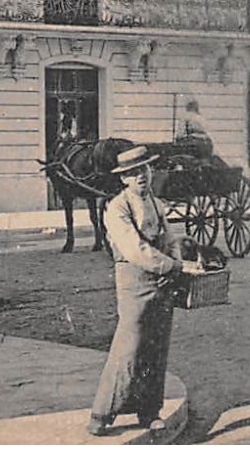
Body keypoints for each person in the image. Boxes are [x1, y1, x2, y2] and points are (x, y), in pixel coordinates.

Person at [89, 146, 188, 436]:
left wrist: (177, 260)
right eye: (133, 173)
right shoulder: (117, 207)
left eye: (144, 170)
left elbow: (170, 238)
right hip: (135, 282)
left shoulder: (156, 204)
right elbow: (134, 248)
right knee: (128, 347)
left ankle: (149, 411)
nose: (141, 176)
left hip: (162, 280)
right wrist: (169, 265)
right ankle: (101, 414)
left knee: (157, 346)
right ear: (124, 179)